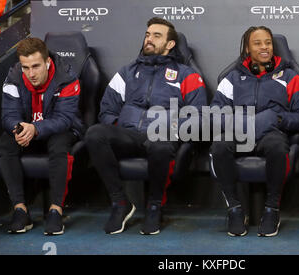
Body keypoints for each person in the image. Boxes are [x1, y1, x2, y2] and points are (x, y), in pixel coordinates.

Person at [84, 17, 207, 235]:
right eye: (147, 34)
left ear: (170, 44)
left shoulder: (187, 75)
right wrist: (122, 125)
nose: (149, 39)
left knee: (160, 145)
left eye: (156, 36)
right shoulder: (127, 72)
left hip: (162, 135)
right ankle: (120, 203)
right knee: (95, 134)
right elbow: (107, 111)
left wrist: (171, 129)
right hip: (129, 135)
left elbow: (197, 117)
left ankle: (154, 206)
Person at [210, 26, 299, 237]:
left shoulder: (290, 77)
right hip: (239, 132)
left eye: (268, 42)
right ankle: (234, 209)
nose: (264, 47)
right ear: (247, 49)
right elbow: (214, 114)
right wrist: (238, 122)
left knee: (277, 146)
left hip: (272, 133)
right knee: (220, 146)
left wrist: (278, 118)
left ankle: (272, 209)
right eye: (257, 43)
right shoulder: (231, 79)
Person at [0, 37, 83, 235]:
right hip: (29, 130)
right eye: (25, 67)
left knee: (59, 142)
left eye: (36, 66)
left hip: (61, 130)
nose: (31, 74)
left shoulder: (67, 77)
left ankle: (55, 211)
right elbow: (8, 115)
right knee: (5, 143)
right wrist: (18, 129)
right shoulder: (14, 77)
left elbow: (64, 119)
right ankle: (20, 210)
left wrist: (35, 128)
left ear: (47, 62)